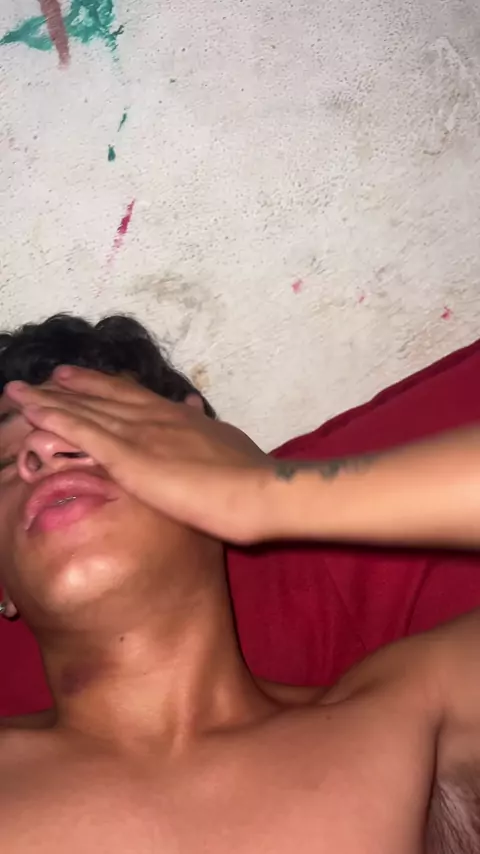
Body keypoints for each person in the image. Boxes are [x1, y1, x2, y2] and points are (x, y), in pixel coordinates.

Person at [0, 312, 479, 853]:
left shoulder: (411, 719)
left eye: (101, 426)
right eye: (3, 464)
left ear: (201, 453)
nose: (42, 453)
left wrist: (267, 494)